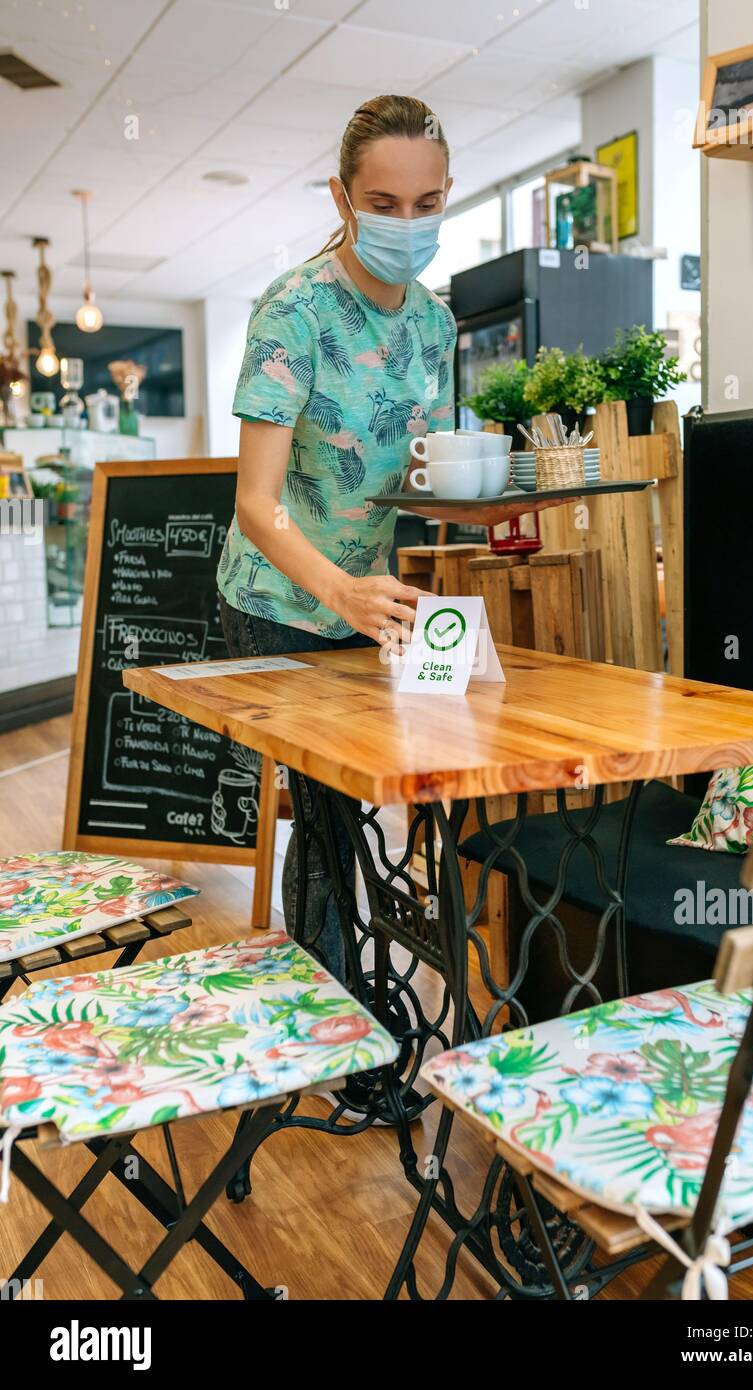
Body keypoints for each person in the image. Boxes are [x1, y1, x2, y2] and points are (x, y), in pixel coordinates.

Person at [217, 95, 460, 980]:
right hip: (280, 597)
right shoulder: (295, 314)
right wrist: (343, 591)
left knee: (371, 802)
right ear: (341, 197)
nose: (406, 222)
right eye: (383, 204)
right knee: (324, 814)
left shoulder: (434, 324)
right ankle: (342, 1024)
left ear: (445, 195)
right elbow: (256, 503)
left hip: (371, 601)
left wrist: (494, 498)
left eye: (425, 204)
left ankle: (371, 992)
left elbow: (421, 471)